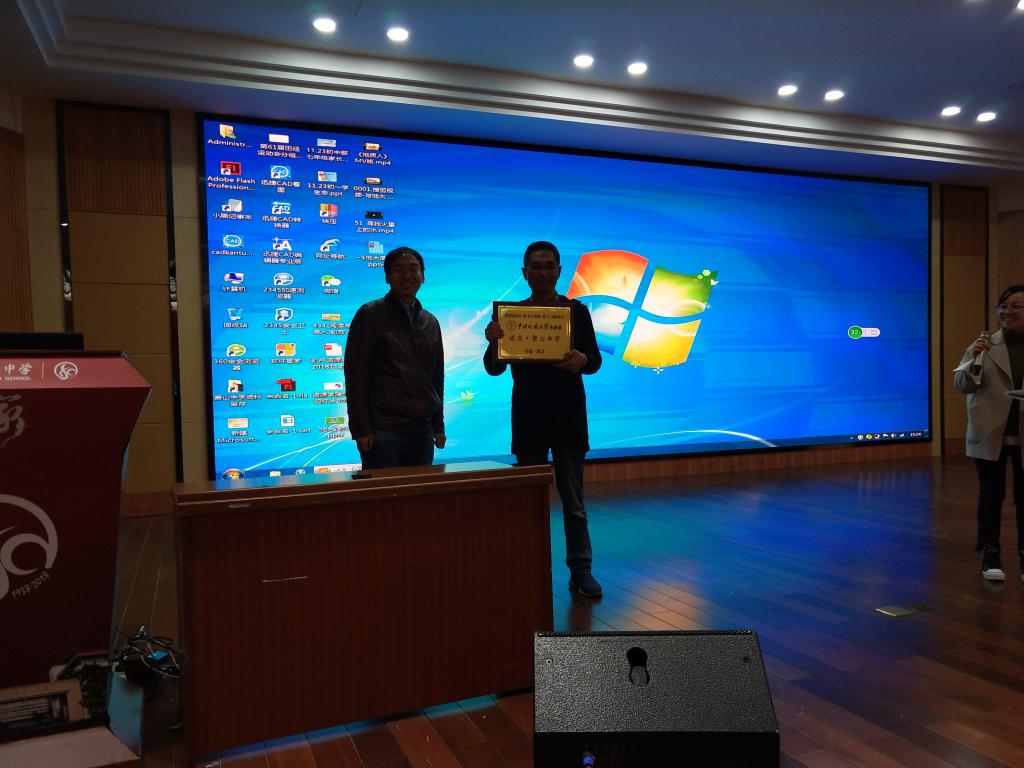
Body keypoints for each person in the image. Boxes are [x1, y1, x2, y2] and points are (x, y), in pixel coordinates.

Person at [483, 241, 604, 598]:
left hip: (569, 420)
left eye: (549, 265)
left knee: (574, 505)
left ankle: (581, 571)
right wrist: (493, 341)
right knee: (530, 506)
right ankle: (530, 570)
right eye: (535, 266)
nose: (542, 272)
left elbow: (595, 360)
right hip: (530, 421)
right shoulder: (511, 315)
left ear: (559, 271)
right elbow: (493, 368)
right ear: (524, 273)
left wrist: (582, 359)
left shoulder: (576, 312)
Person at [344, 246, 445, 469]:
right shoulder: (370, 315)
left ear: (422, 276)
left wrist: (438, 426)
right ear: (388, 277)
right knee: (385, 493)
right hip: (383, 433)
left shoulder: (430, 322)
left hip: (423, 432)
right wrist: (362, 429)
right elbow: (356, 377)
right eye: (399, 270)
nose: (407, 275)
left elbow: (436, 378)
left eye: (413, 269)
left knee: (420, 492)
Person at [954, 284, 1024, 582]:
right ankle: (990, 553)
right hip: (990, 432)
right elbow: (962, 386)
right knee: (991, 496)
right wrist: (973, 360)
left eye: (1016, 306)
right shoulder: (983, 345)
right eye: (1003, 306)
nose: (1007, 312)